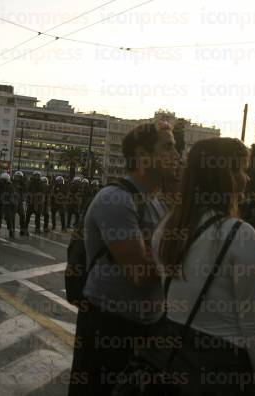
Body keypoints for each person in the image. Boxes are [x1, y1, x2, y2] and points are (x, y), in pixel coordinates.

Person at [153, 137, 255, 396]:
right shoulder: (240, 234)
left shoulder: (165, 228)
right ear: (223, 175)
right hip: (222, 368)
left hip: (172, 359)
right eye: (240, 169)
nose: (246, 179)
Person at [68, 122, 179, 395]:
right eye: (168, 146)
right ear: (143, 154)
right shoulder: (115, 199)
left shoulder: (157, 202)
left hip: (149, 325)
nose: (177, 154)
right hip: (108, 327)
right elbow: (141, 275)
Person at [0, 172, 15, 239]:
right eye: (1, 179)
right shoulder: (0, 186)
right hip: (0, 204)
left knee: (8, 219)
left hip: (7, 204)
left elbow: (12, 196)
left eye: (3, 180)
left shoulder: (10, 187)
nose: (1, 181)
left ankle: (11, 232)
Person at [12, 170, 28, 236]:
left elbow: (26, 189)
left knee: (22, 216)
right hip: (13, 203)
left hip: (20, 202)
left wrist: (22, 186)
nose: (17, 178)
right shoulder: (12, 183)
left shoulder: (23, 184)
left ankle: (23, 230)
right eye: (16, 176)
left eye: (19, 177)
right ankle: (12, 231)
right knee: (12, 217)